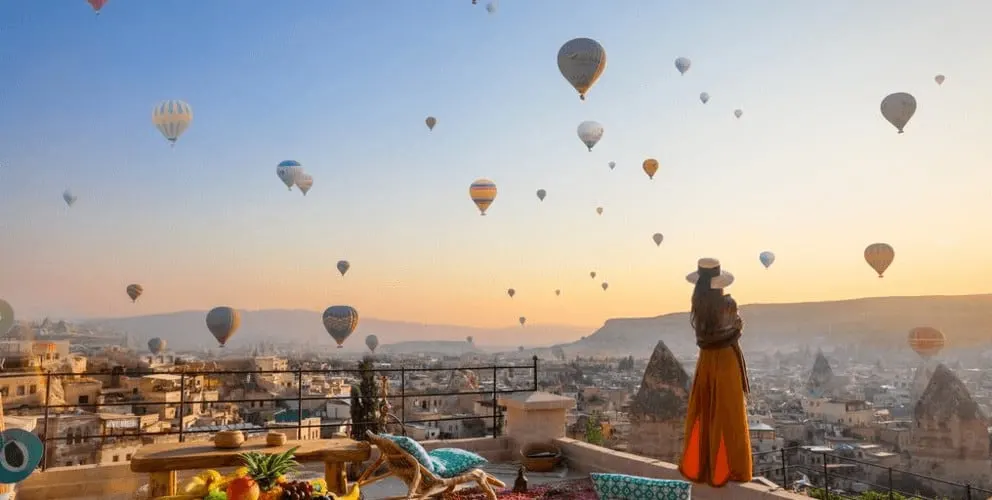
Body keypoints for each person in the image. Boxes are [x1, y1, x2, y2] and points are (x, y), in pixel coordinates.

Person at [678, 258, 753, 487]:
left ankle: (702, 465)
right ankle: (730, 468)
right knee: (728, 413)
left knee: (705, 409)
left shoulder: (698, 304)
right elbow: (737, 327)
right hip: (726, 360)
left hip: (706, 361)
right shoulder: (728, 304)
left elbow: (704, 336)